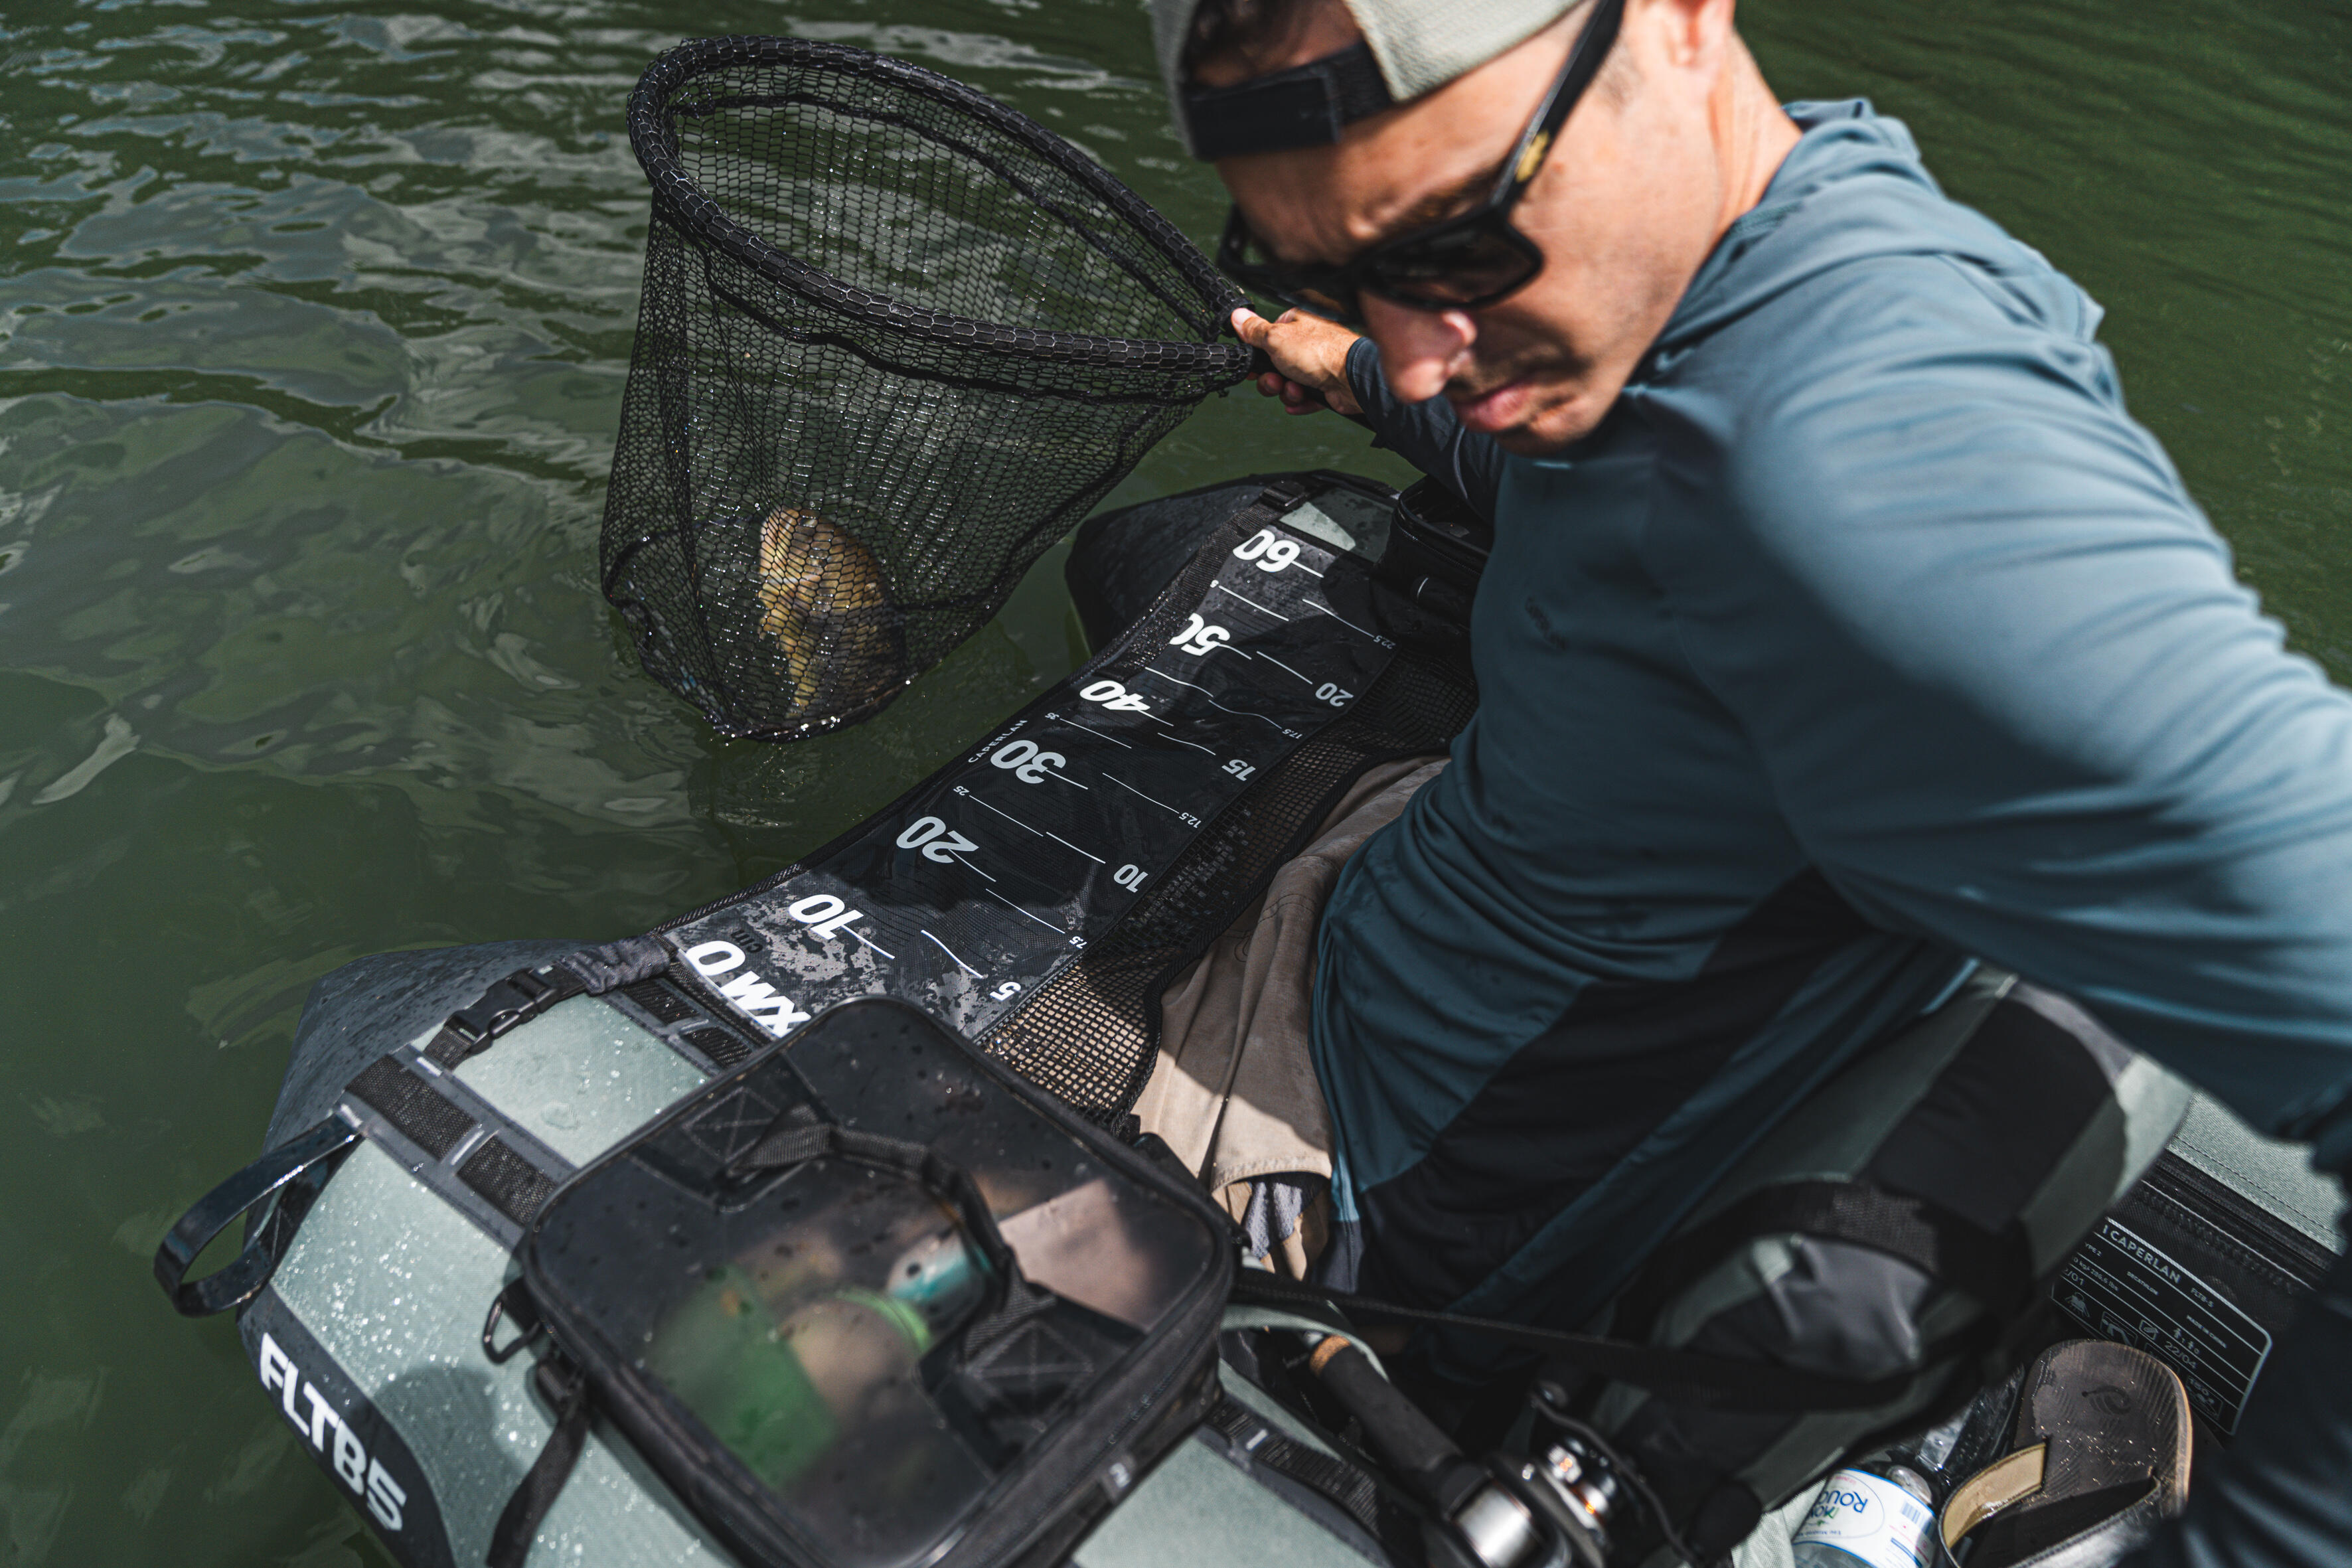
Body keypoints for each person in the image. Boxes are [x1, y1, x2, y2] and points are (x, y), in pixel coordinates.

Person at [1125, 0, 2352, 1564]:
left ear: (1678, 21)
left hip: (1347, 1193)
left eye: (1450, 240)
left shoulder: (1872, 479)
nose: (1433, 343)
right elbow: (1603, 485)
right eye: (1320, 260)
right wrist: (1364, 369)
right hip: (1382, 921)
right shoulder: (1733, 253)